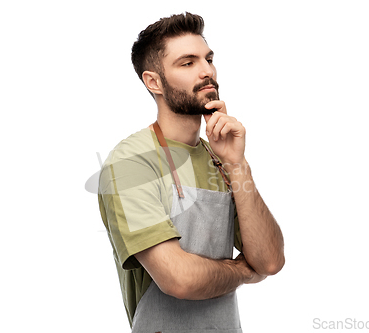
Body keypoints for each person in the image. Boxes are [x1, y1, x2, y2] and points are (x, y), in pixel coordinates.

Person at [98, 12, 285, 332]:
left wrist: (237, 165)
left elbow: (268, 261)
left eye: (208, 59)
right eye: (188, 63)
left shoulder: (221, 159)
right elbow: (179, 280)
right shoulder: (131, 163)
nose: (207, 71)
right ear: (153, 81)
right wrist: (244, 273)